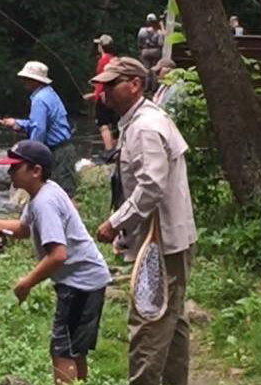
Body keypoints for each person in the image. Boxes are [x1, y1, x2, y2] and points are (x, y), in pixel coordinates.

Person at [0, 139, 111, 385]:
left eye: (14, 167)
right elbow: (21, 229)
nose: (9, 172)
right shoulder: (43, 192)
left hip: (81, 284)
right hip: (87, 280)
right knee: (74, 347)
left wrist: (26, 282)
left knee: (62, 349)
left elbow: (58, 254)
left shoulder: (45, 203)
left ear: (35, 171)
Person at [90, 57, 197, 385]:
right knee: (172, 321)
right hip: (167, 237)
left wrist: (116, 222)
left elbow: (151, 185)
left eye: (112, 84)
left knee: (148, 325)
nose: (104, 91)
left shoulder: (146, 126)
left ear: (135, 84)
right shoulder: (139, 121)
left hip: (161, 242)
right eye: (103, 84)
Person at [0, 61, 78, 198]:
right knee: (60, 192)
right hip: (63, 149)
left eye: (27, 78)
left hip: (58, 153)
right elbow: (38, 123)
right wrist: (17, 123)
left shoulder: (39, 100)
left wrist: (29, 156)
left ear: (36, 80)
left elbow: (39, 130)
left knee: (63, 194)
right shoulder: (49, 93)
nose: (24, 81)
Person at [82, 34, 119, 162]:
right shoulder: (115, 59)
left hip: (103, 97)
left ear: (101, 46)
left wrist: (95, 94)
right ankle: (115, 152)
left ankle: (109, 152)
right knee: (114, 125)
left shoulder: (103, 61)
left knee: (103, 125)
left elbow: (102, 81)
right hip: (113, 96)